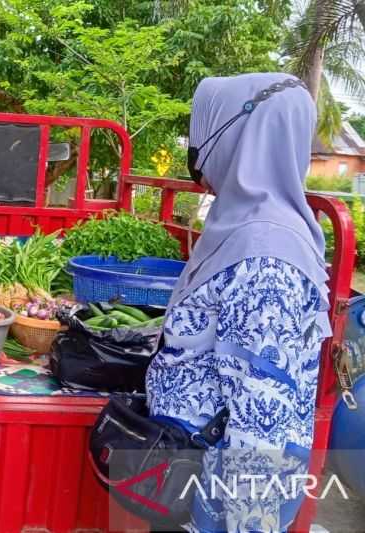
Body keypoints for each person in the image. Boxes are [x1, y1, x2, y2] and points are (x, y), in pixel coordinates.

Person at [145, 73, 330, 532]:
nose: (199, 158)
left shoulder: (266, 256)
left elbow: (261, 422)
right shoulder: (247, 228)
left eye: (207, 133)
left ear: (242, 135)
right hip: (189, 475)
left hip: (216, 505)